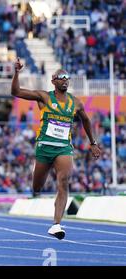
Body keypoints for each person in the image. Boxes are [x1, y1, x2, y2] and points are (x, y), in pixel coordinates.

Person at [10, 58, 101, 240]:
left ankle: (56, 224)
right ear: (53, 81)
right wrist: (17, 72)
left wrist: (93, 143)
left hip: (63, 148)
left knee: (64, 180)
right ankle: (37, 187)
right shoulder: (44, 97)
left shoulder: (75, 103)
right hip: (44, 148)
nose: (65, 79)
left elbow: (86, 120)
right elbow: (16, 92)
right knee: (37, 187)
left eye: (67, 77)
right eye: (61, 77)